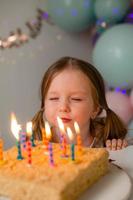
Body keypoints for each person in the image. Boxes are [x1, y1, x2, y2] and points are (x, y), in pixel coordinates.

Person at [32, 56, 128, 150]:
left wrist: (117, 147)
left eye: (76, 99)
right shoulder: (39, 144)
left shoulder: (105, 142)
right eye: (54, 98)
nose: (63, 107)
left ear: (95, 108)